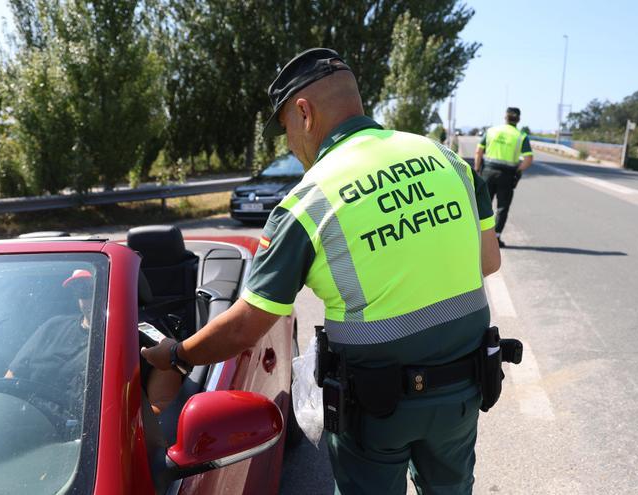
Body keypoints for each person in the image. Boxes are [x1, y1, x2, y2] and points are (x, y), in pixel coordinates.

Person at [143, 48, 500, 494]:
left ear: (304, 113)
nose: (291, 145)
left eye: (287, 130)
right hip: (462, 394)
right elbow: (488, 262)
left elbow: (245, 328)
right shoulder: (448, 161)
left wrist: (176, 356)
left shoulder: (308, 202)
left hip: (376, 411)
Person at [8, 269, 182, 414]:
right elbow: (8, 384)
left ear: (118, 289)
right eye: (82, 290)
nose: (90, 298)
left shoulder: (152, 341)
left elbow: (161, 412)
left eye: (96, 288)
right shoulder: (51, 327)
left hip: (88, 445)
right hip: (27, 427)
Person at [475, 107, 534, 247]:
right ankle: (495, 238)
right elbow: (528, 159)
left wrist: (477, 169)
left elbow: (479, 151)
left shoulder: (491, 131)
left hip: (488, 172)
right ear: (518, 119)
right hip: (507, 175)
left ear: (505, 117)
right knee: (502, 207)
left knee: (482, 204)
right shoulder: (521, 136)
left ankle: (477, 236)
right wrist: (518, 171)